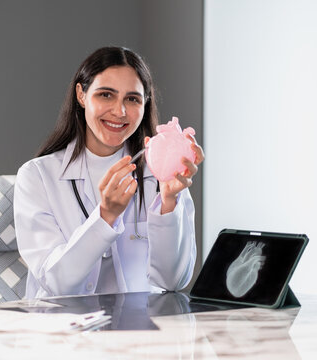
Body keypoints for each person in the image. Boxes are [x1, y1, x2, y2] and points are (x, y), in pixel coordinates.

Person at [14, 46, 204, 299]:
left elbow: (173, 282)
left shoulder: (161, 174)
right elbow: (56, 284)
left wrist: (169, 203)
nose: (119, 111)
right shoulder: (37, 176)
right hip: (64, 331)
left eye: (132, 99)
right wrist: (106, 216)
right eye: (106, 95)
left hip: (139, 330)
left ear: (145, 103)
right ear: (81, 95)